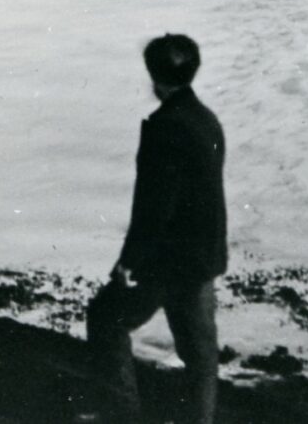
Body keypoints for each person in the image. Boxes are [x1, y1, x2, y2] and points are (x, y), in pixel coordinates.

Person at [88, 34, 226, 424]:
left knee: (105, 318)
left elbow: (154, 209)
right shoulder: (207, 120)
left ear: (154, 76)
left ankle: (121, 414)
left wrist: (128, 262)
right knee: (201, 352)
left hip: (167, 261)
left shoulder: (164, 127)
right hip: (202, 258)